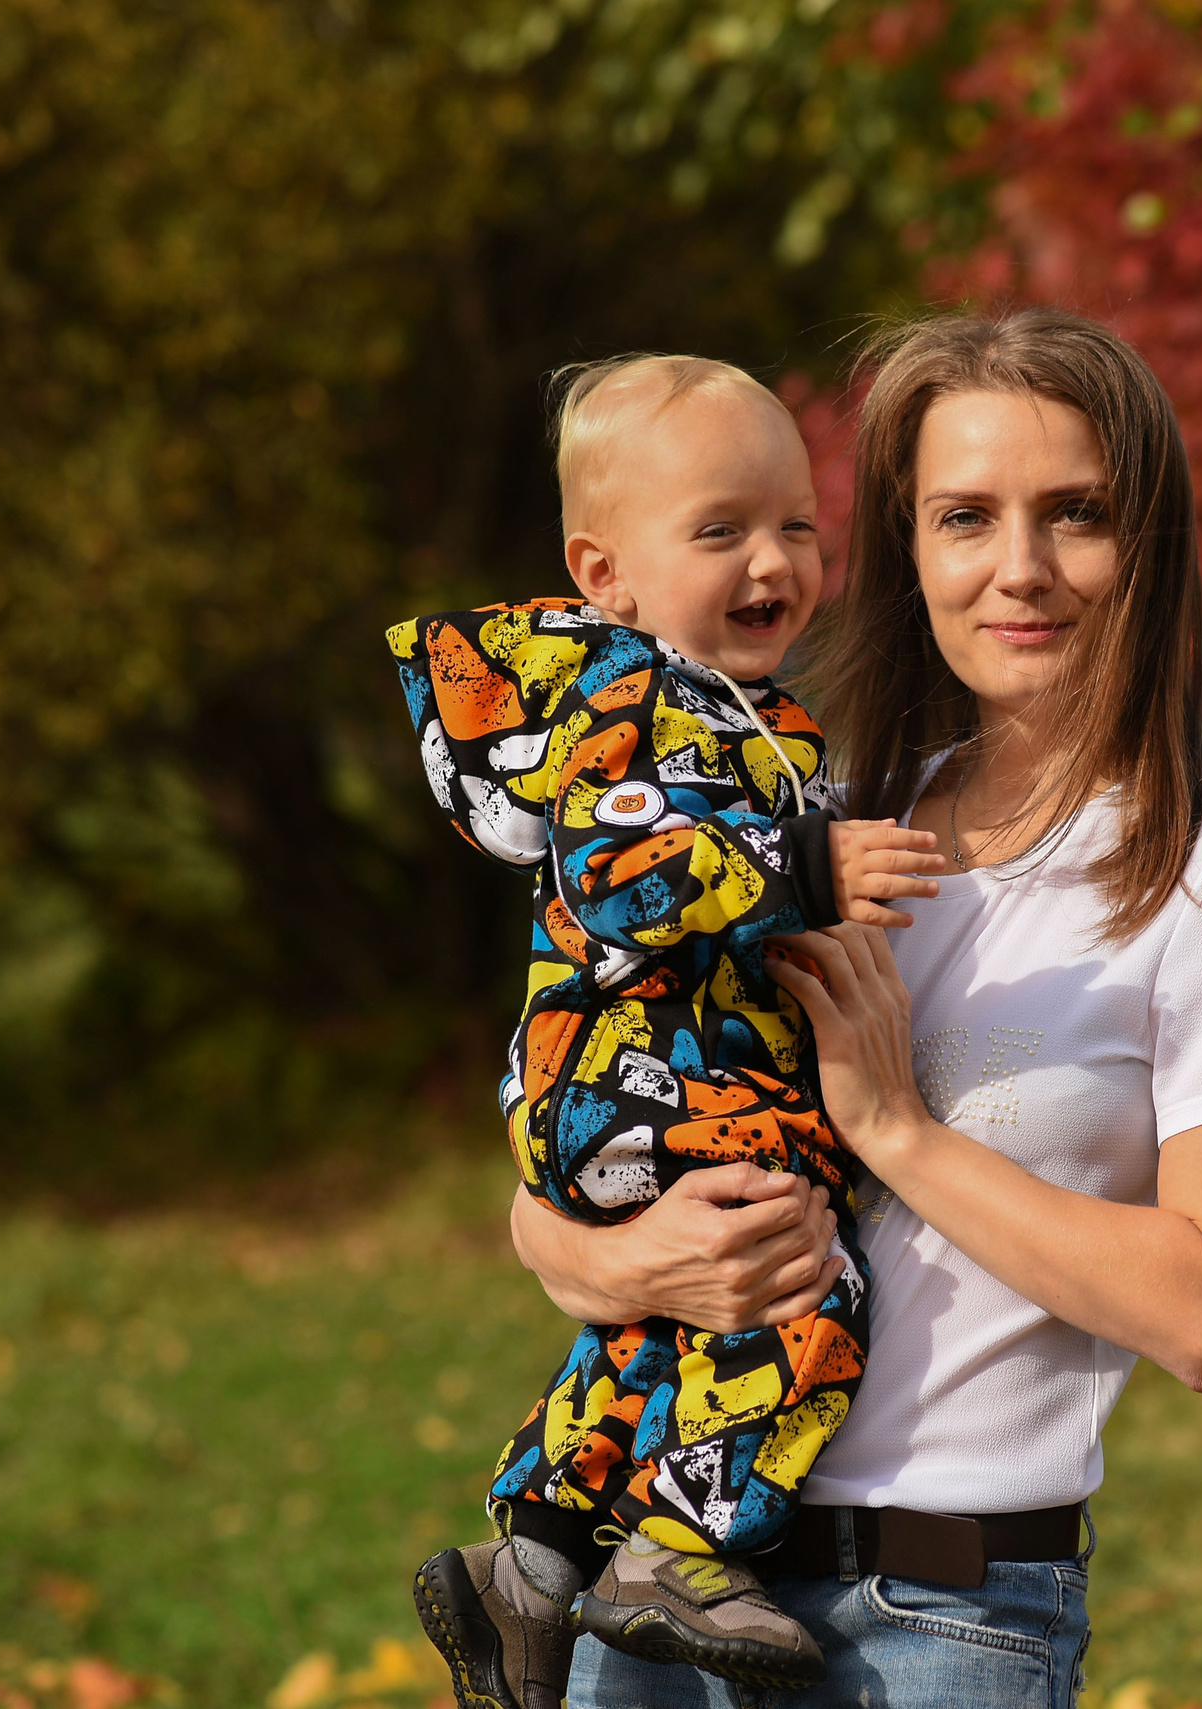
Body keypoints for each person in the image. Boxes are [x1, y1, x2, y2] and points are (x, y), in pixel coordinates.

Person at [512, 308, 1202, 1709]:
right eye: (966, 517)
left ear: (1148, 543)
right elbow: (553, 1177)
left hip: (940, 1622)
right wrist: (631, 1260)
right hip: (651, 1594)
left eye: (1077, 513)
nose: (1021, 568)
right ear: (908, 549)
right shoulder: (813, 830)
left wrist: (897, 1130)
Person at [388, 355, 944, 1707]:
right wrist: (802, 868)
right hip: (632, 1075)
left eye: (796, 525)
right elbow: (614, 874)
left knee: (674, 1321)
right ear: (607, 574)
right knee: (804, 1283)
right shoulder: (634, 700)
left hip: (621, 1079)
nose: (773, 560)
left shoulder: (746, 711)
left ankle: (532, 1561)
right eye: (719, 531)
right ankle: (680, 1550)